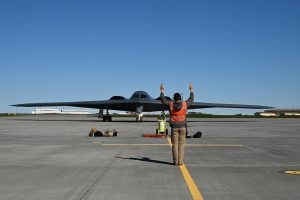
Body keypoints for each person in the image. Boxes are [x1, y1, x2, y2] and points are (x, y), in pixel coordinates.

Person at [160, 83, 194, 166]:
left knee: (174, 145)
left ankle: (175, 161)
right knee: (181, 145)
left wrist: (162, 90)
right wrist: (191, 90)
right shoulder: (185, 104)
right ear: (180, 98)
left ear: (174, 99)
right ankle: (180, 161)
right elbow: (191, 99)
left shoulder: (170, 104)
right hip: (183, 127)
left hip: (174, 128)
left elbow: (163, 100)